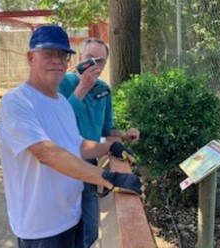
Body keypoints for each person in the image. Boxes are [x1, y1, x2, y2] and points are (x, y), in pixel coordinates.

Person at [0, 25, 142, 247]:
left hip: (71, 216)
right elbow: (47, 153)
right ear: (30, 57)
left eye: (62, 55)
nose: (56, 60)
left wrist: (110, 147)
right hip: (42, 227)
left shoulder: (62, 103)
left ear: (67, 62)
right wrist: (107, 178)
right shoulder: (16, 102)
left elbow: (80, 145)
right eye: (48, 53)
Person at [58, 37, 140, 247]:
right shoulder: (63, 83)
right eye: (89, 58)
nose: (94, 64)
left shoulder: (104, 90)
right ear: (79, 58)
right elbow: (59, 122)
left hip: (89, 164)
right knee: (63, 227)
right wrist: (83, 88)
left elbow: (106, 127)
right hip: (61, 164)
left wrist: (123, 135)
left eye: (100, 61)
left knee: (90, 225)